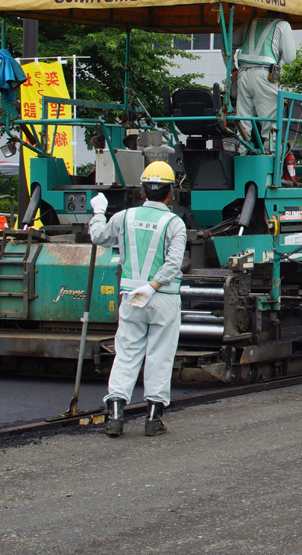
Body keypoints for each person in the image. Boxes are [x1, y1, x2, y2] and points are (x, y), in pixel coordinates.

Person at [89, 161, 187, 437]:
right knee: (160, 356)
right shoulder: (174, 223)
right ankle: (153, 419)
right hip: (163, 299)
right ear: (170, 192)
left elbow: (98, 237)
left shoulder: (124, 217)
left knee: (127, 353)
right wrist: (153, 286)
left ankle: (116, 415)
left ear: (143, 190)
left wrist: (98, 212)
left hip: (131, 298)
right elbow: (173, 265)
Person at [233, 15, 296, 153]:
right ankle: (271, 157)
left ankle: (241, 154)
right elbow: (290, 58)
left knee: (243, 120)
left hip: (243, 73)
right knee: (270, 122)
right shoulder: (282, 25)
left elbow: (226, 44)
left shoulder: (250, 22)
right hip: (264, 74)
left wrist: (233, 69)